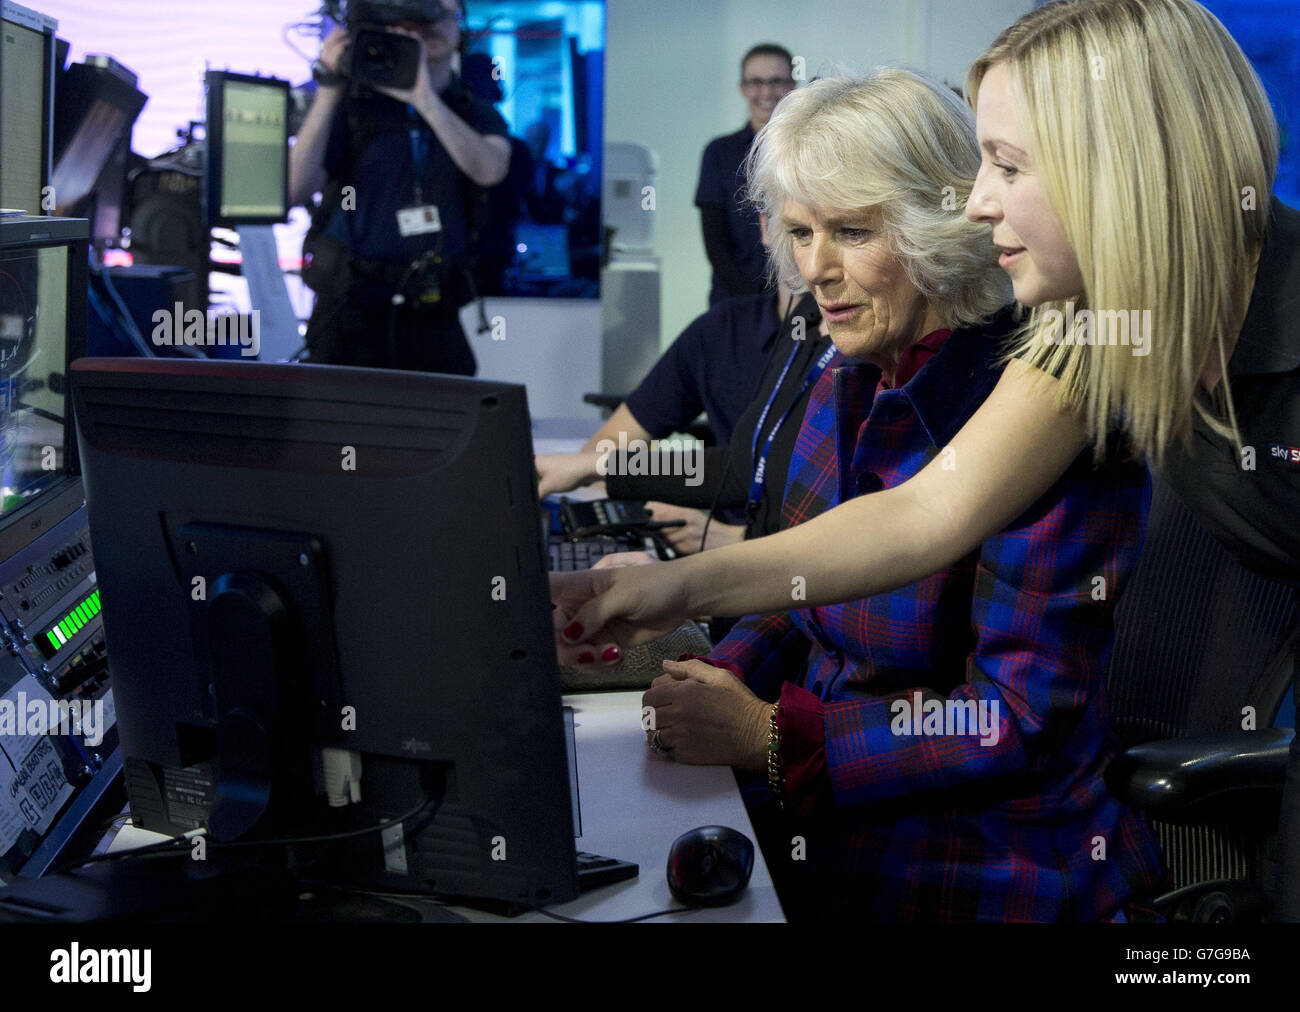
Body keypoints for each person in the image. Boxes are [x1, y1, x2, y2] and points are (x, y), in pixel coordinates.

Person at [550, 0, 1300, 918]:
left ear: (1120, 170)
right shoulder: (1085, 334)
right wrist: (685, 605)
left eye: (1010, 166)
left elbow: (1009, 712)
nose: (978, 201)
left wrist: (770, 732)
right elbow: (923, 514)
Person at [650, 68, 1162, 921]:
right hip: (834, 827)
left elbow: (1010, 717)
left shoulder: (1038, 411)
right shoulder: (842, 375)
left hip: (981, 866)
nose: (817, 269)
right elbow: (801, 595)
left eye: (852, 231)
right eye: (801, 232)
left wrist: (769, 740)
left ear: (938, 224)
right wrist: (703, 685)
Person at [290, 0, 511, 375]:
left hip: (433, 311)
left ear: (462, 28)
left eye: (445, 14)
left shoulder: (474, 112)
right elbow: (293, 190)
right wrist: (329, 87)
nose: (430, 25)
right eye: (415, 15)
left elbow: (489, 169)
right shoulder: (352, 107)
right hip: (348, 309)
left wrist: (423, 98)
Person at [696, 44, 795, 306]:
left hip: (799, 301)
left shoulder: (809, 151)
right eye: (756, 82)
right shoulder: (719, 152)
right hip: (734, 302)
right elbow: (715, 244)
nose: (766, 92)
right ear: (743, 88)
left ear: (793, 85)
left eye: (776, 81)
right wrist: (754, 305)